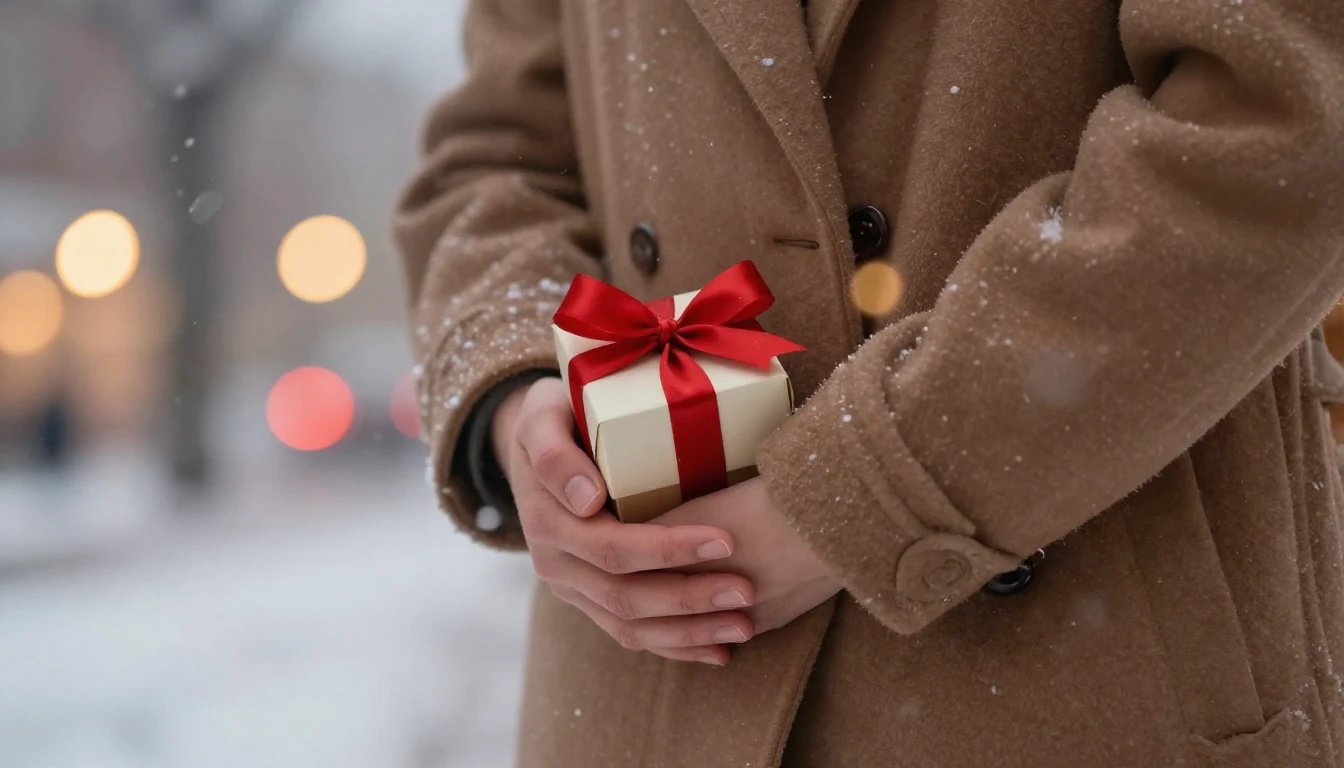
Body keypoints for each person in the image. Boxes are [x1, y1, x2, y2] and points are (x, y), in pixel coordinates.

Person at [394, 0, 1344, 765]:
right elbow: (491, 158)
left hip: (1087, 662)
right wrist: (516, 393)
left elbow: (1281, 124)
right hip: (648, 689)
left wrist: (863, 496)